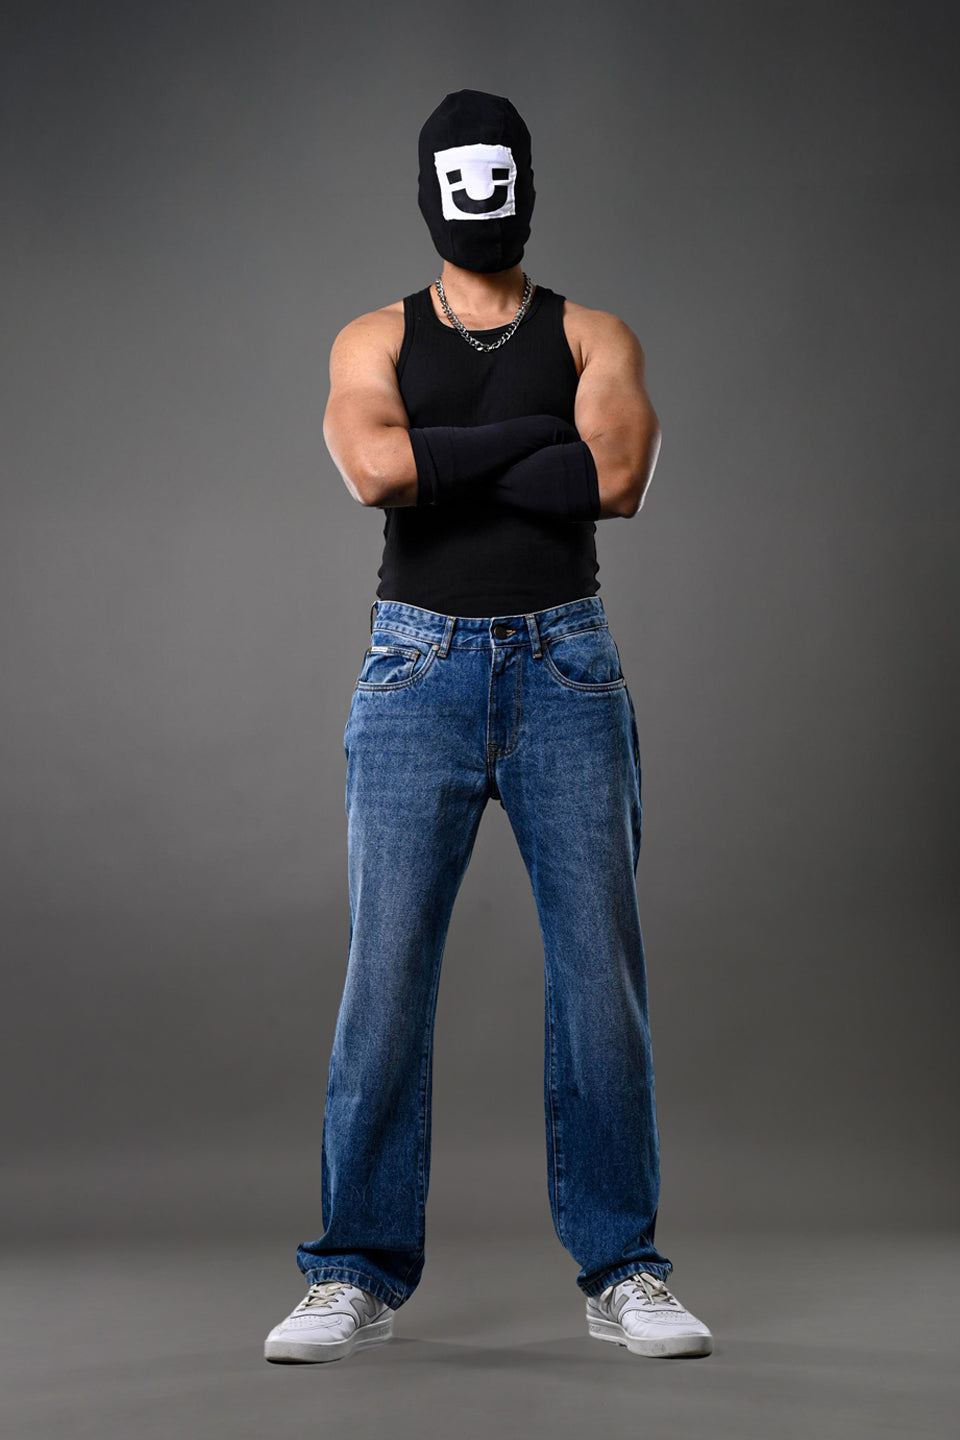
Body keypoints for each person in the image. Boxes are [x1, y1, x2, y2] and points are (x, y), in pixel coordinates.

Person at [264, 89, 713, 1365]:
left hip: (567, 665)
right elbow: (373, 471)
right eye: (458, 178)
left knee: (600, 985)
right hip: (417, 674)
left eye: (498, 175)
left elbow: (615, 478)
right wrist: (534, 442)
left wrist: (453, 446)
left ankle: (625, 1266)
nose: (479, 197)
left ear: (525, 183)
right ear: (430, 189)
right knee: (385, 981)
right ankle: (353, 1269)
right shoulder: (371, 337)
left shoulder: (593, 331)